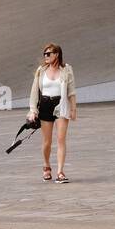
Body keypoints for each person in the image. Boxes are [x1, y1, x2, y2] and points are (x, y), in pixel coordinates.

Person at [28, 43, 77, 184]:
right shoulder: (41, 70)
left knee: (61, 139)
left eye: (49, 54)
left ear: (57, 54)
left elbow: (72, 91)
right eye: (45, 54)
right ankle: (46, 166)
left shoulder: (66, 69)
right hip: (45, 105)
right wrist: (33, 110)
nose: (46, 56)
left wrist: (73, 109)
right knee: (47, 142)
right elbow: (34, 91)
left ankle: (60, 172)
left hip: (61, 105)